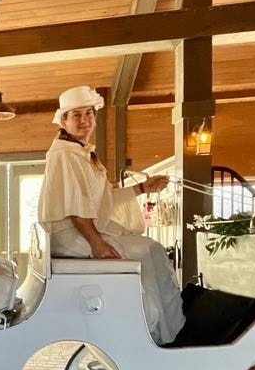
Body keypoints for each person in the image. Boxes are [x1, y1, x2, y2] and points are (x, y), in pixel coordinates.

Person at [38, 86, 185, 345]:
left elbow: (101, 201)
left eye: (89, 113)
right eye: (76, 115)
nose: (84, 120)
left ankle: (166, 327)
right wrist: (98, 243)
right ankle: (153, 330)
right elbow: (76, 209)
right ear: (64, 121)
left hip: (81, 229)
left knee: (152, 249)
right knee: (148, 251)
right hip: (70, 234)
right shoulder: (64, 154)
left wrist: (142, 188)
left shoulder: (81, 153)